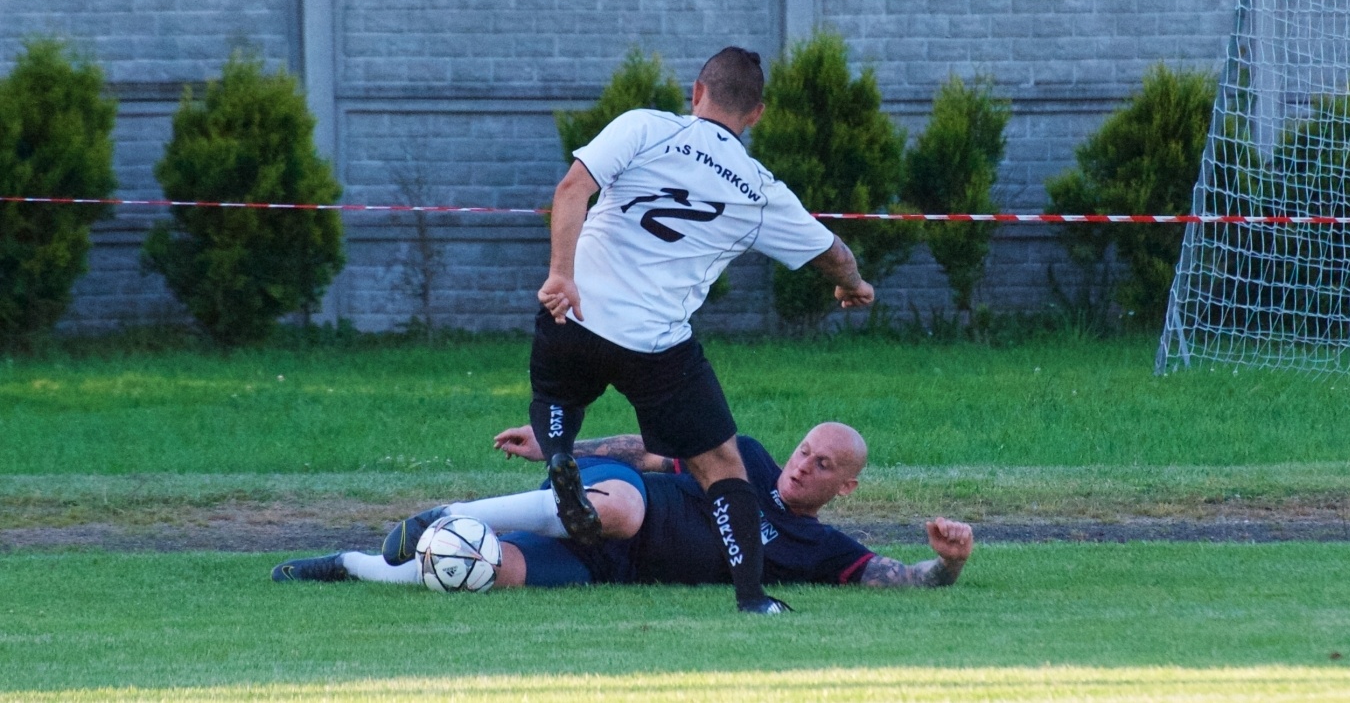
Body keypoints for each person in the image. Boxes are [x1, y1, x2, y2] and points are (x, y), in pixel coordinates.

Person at [519, 46, 875, 614]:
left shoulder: (644, 126)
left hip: (577, 313)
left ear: (696, 92)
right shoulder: (760, 190)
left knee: (557, 392)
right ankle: (752, 597)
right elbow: (831, 253)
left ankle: (560, 451)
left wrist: (562, 274)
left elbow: (570, 191)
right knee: (722, 465)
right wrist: (853, 284)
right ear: (756, 115)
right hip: (655, 344)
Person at [274, 423, 974, 593]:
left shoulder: (820, 549)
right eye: (805, 450)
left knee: (481, 570)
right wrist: (559, 443)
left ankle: (352, 564)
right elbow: (647, 453)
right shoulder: (749, 459)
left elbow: (903, 577)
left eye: (824, 465)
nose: (802, 464)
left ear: (843, 487)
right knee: (622, 508)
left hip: (612, 565)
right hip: (625, 499)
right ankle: (452, 508)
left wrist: (947, 564)